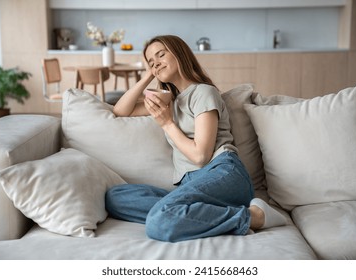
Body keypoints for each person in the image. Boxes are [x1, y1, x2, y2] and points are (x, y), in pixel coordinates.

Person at [105, 35, 286, 242]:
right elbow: (120, 110)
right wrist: (147, 76)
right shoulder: (169, 101)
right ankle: (197, 213)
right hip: (190, 183)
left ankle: (255, 216)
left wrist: (167, 123)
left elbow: (201, 156)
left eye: (161, 55)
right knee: (115, 197)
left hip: (223, 173)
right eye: (151, 61)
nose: (156, 63)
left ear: (180, 54)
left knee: (160, 221)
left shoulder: (203, 93)